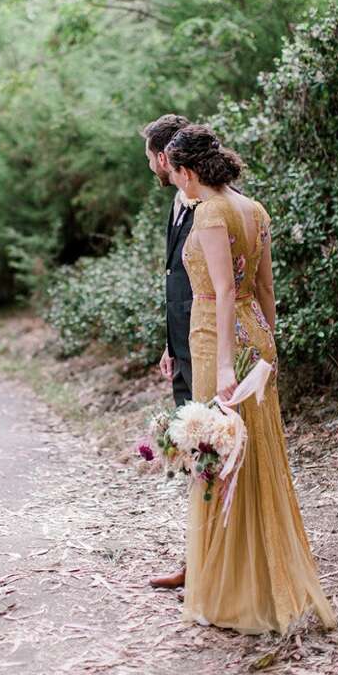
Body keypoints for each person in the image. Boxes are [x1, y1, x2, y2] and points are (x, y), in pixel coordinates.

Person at [164, 124, 336, 634]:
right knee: (252, 457)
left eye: (175, 173)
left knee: (222, 461)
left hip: (222, 341)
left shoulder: (211, 212)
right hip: (255, 338)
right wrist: (268, 348)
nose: (176, 182)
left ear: (189, 171)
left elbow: (219, 291)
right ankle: (253, 577)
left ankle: (233, 590)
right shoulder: (255, 209)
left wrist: (222, 367)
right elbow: (265, 290)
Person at [142, 114, 192, 590]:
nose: (150, 170)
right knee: (196, 454)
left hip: (205, 345)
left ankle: (204, 565)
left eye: (149, 162)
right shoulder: (178, 203)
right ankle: (196, 560)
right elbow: (176, 280)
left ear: (163, 158)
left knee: (207, 450)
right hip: (183, 347)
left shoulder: (202, 204)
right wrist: (169, 343)